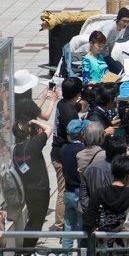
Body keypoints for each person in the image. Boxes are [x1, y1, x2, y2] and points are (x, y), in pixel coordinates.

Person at [83, 154, 129, 233]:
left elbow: (88, 223)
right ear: (128, 175)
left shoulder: (98, 194)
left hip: (103, 239)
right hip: (128, 239)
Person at [50, 77, 84, 230]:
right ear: (77, 93)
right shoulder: (69, 112)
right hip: (62, 155)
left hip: (58, 151)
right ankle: (60, 225)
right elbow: (72, 134)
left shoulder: (62, 104)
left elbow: (75, 107)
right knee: (63, 190)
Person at [12, 116, 51, 246]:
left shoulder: (16, 149)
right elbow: (49, 128)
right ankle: (28, 250)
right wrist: (34, 121)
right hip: (40, 189)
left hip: (28, 189)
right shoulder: (34, 144)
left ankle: (27, 248)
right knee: (37, 221)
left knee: (33, 220)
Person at [59, 118, 89, 251]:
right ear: (81, 133)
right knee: (82, 229)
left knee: (68, 227)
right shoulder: (82, 150)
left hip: (68, 191)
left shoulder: (64, 149)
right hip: (79, 193)